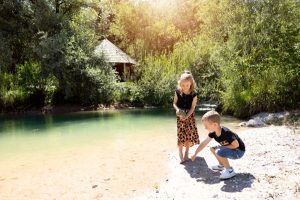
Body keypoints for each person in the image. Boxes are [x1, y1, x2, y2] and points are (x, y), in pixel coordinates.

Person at [191, 110, 245, 179]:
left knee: (219, 151)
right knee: (212, 148)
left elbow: (236, 145)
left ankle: (230, 171)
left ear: (215, 125)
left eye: (206, 126)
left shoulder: (226, 133)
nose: (205, 128)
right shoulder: (213, 132)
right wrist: (195, 153)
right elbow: (204, 143)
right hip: (232, 149)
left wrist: (222, 147)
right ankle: (222, 165)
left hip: (238, 151)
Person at [173, 71, 200, 164]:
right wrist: (177, 110)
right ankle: (180, 153)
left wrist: (187, 115)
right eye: (183, 85)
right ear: (180, 83)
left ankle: (186, 153)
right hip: (180, 115)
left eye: (187, 85)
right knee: (180, 134)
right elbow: (174, 103)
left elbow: (193, 107)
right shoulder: (177, 92)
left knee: (188, 135)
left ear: (191, 83)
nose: (185, 87)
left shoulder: (194, 94)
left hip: (190, 115)